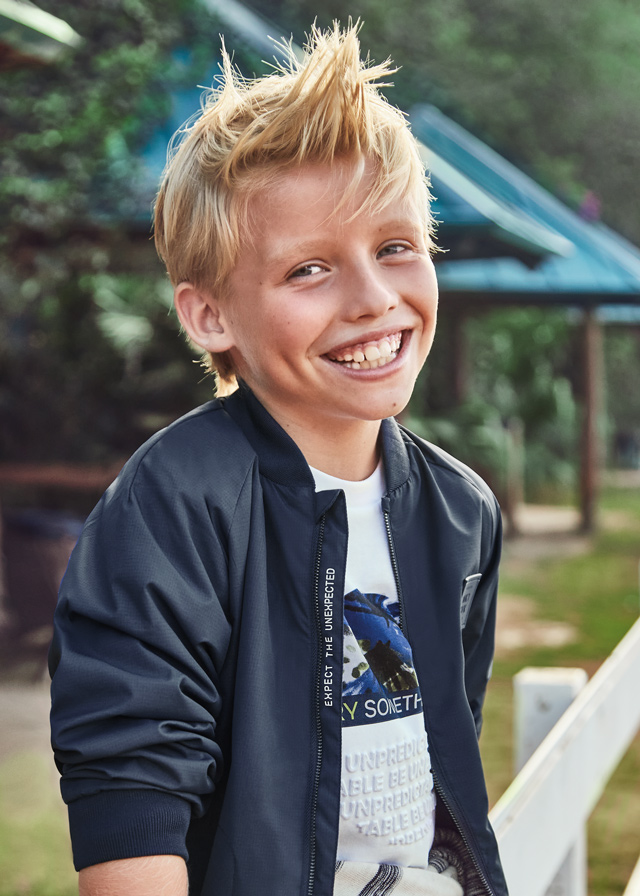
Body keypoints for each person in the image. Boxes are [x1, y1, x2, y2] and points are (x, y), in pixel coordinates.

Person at [49, 22, 508, 896]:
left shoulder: (461, 512)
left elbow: (446, 752)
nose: (373, 300)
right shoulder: (171, 509)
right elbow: (132, 790)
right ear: (210, 316)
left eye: (396, 248)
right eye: (309, 270)